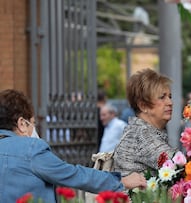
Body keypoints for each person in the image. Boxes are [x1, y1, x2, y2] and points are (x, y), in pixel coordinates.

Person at [0, 89, 147, 203]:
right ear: (21, 124)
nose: (34, 128)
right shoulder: (30, 149)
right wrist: (120, 181)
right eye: (32, 123)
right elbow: (72, 175)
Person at [113, 68, 178, 176]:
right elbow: (178, 165)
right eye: (162, 97)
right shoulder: (141, 135)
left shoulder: (140, 130)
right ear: (143, 106)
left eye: (169, 97)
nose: (170, 102)